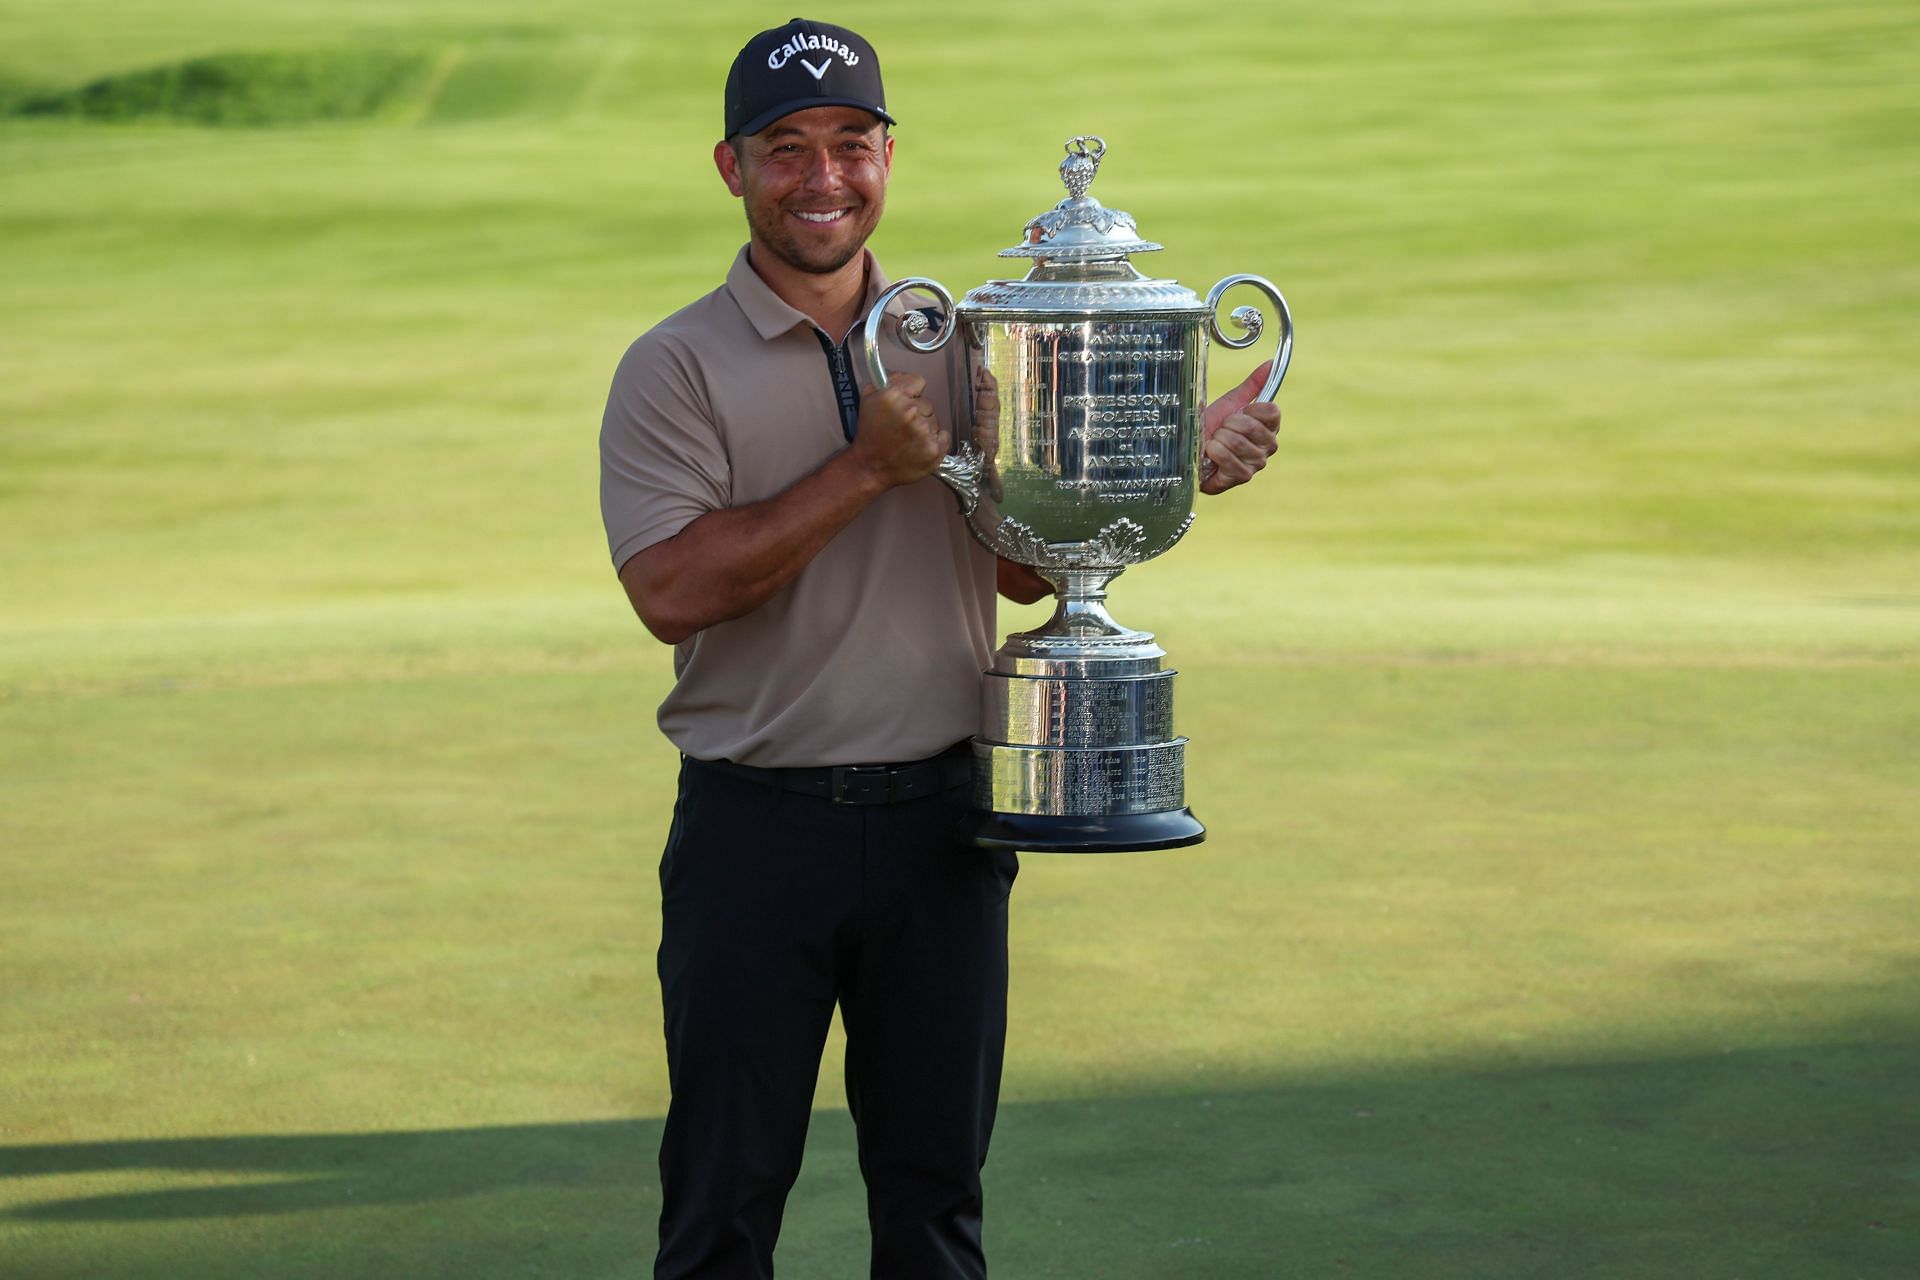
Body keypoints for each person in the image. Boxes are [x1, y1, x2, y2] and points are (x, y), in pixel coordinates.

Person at [598, 18, 1282, 1279]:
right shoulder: (673, 365)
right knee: (720, 1207)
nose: (822, 177)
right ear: (730, 166)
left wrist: (1172, 470)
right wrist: (864, 469)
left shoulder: (964, 339)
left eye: (850, 144)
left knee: (934, 1205)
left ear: (887, 159)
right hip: (756, 839)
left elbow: (1025, 561)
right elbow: (673, 591)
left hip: (943, 833)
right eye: (786, 147)